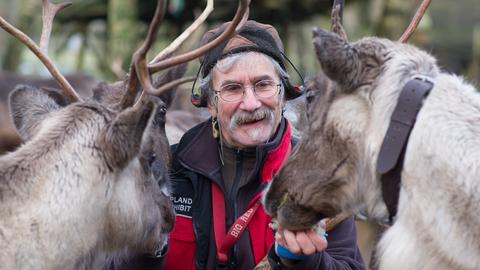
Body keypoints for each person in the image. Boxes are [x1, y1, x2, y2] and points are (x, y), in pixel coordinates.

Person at [105, 20, 365, 270]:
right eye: (232, 88)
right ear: (210, 104)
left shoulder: (322, 175)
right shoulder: (168, 173)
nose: (251, 103)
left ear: (283, 95)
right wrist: (149, 249)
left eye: (263, 85)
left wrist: (305, 262)